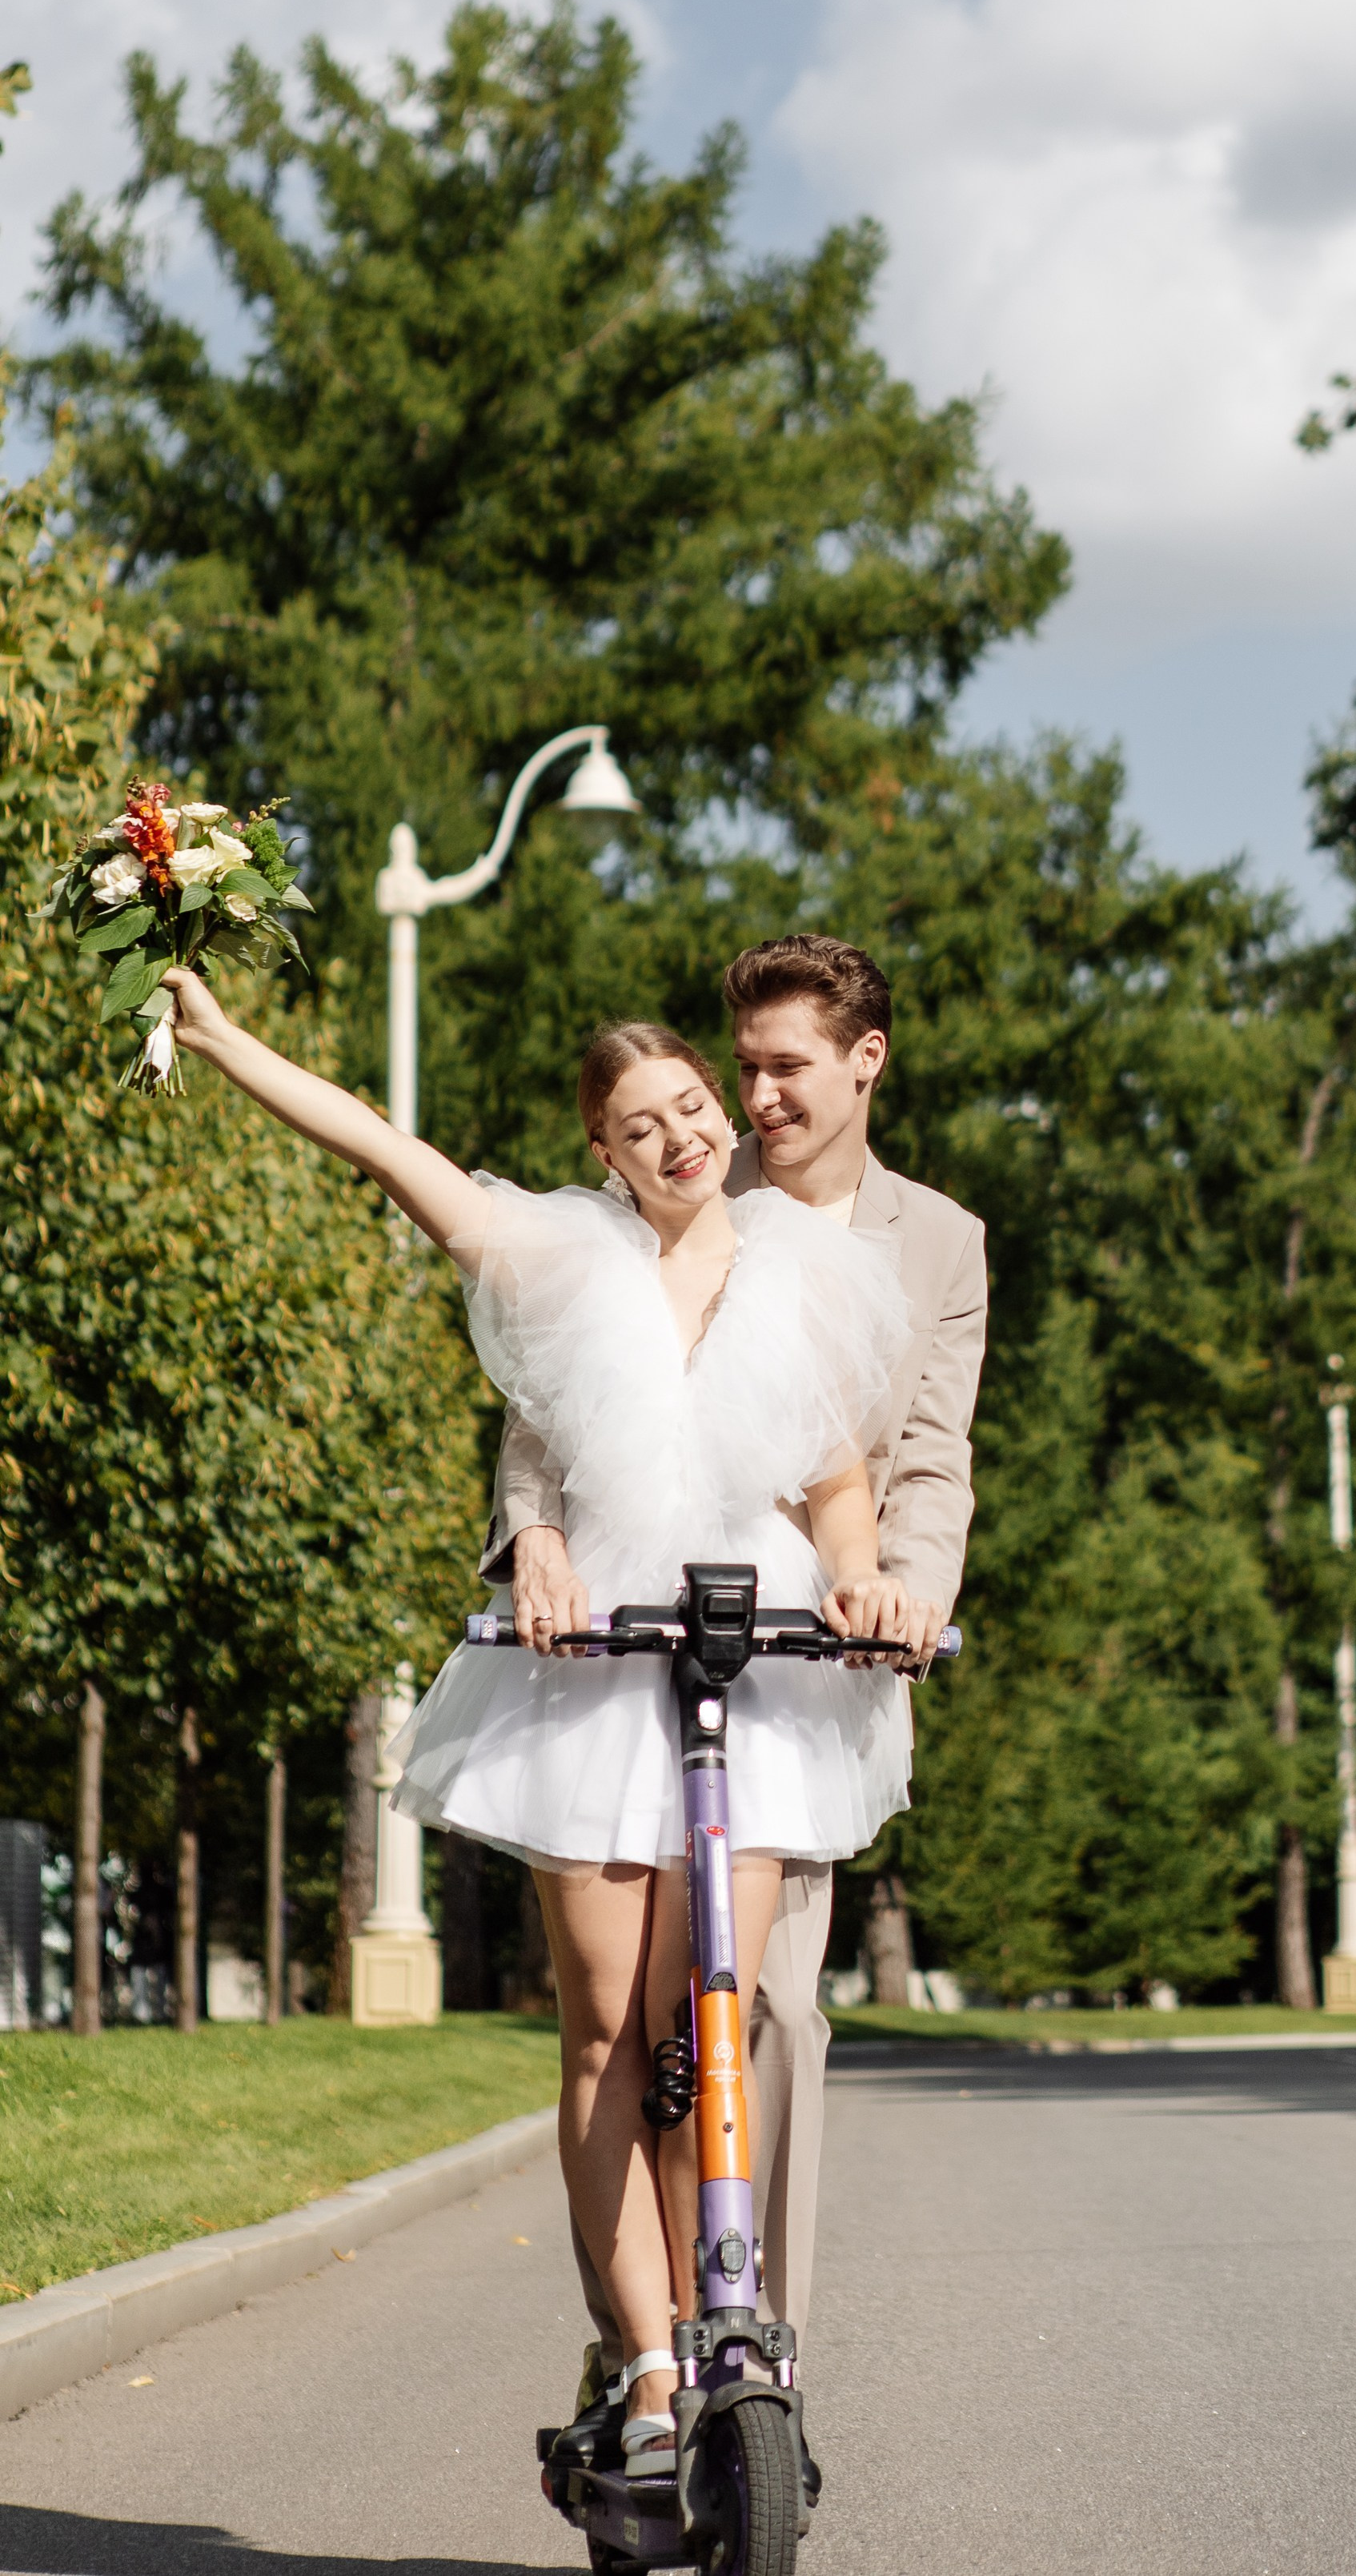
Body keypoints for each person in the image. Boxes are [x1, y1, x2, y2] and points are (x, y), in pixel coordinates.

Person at [154, 961, 941, 2482]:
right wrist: (221, 1035)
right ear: (602, 1150)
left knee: (703, 2029)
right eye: (641, 1126)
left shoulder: (807, 1266)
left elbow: (839, 1488)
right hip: (595, 1670)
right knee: (607, 2039)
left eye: (694, 1108)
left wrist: (858, 1589)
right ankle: (647, 2368)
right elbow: (391, 1151)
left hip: (752, 1668)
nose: (682, 1138)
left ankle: (725, 2318)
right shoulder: (560, 1261)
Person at [485, 934, 988, 2442]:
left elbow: (928, 1457)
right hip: (639, 1651)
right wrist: (535, 1544)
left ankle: (752, 2354)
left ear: (864, 1061)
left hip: (807, 1660)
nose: (754, 1098)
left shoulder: (937, 1241)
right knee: (631, 2032)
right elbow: (545, 1429)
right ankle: (641, 2349)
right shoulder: (685, 1194)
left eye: (784, 1069)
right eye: (743, 1067)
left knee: (767, 2009)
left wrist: (907, 1587)